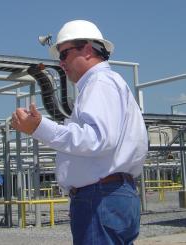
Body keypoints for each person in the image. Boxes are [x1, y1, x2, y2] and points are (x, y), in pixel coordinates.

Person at [12, 20, 148, 245]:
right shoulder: (106, 83)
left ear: (87, 50)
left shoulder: (99, 82)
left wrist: (39, 128)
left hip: (100, 196)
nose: (61, 63)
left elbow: (97, 139)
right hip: (111, 195)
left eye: (64, 54)